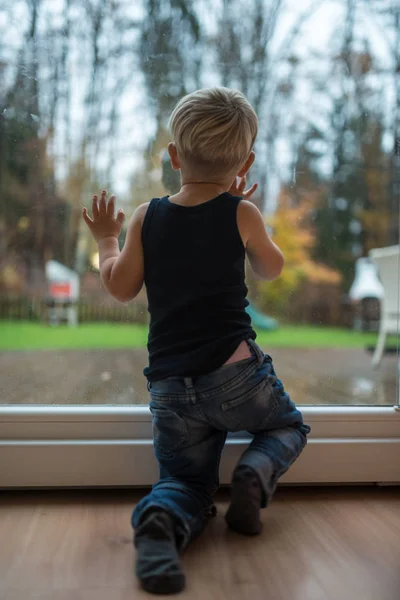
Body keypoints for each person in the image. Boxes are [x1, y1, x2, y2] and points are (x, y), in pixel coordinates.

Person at [83, 87, 310, 595]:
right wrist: (248, 220)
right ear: (245, 161)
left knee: (185, 483)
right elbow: (272, 269)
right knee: (288, 427)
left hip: (170, 388)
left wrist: (105, 240)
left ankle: (161, 523)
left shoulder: (147, 215)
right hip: (237, 375)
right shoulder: (241, 213)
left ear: (174, 156)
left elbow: (119, 288)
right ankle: (254, 472)